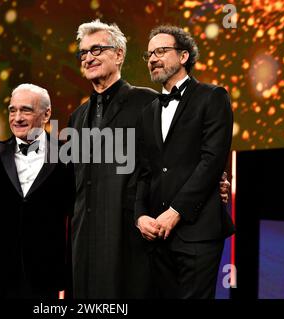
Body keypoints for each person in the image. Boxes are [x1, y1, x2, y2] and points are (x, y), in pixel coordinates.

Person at [69, 19, 231, 299]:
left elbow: (192, 153)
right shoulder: (77, 117)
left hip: (137, 241)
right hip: (90, 239)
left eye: (96, 49)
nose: (89, 57)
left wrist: (216, 181)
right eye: (83, 52)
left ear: (119, 55)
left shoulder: (147, 102)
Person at [135, 25, 235, 299]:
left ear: (184, 56)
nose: (153, 58)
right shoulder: (148, 112)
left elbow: (212, 161)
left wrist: (176, 211)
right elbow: (145, 172)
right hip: (157, 236)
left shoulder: (213, 97)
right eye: (149, 54)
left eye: (161, 51)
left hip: (197, 232)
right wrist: (140, 216)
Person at [0, 84, 74, 298]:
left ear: (47, 114)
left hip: (45, 276)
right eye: (12, 110)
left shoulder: (67, 155)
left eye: (25, 110)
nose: (17, 118)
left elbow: (74, 212)